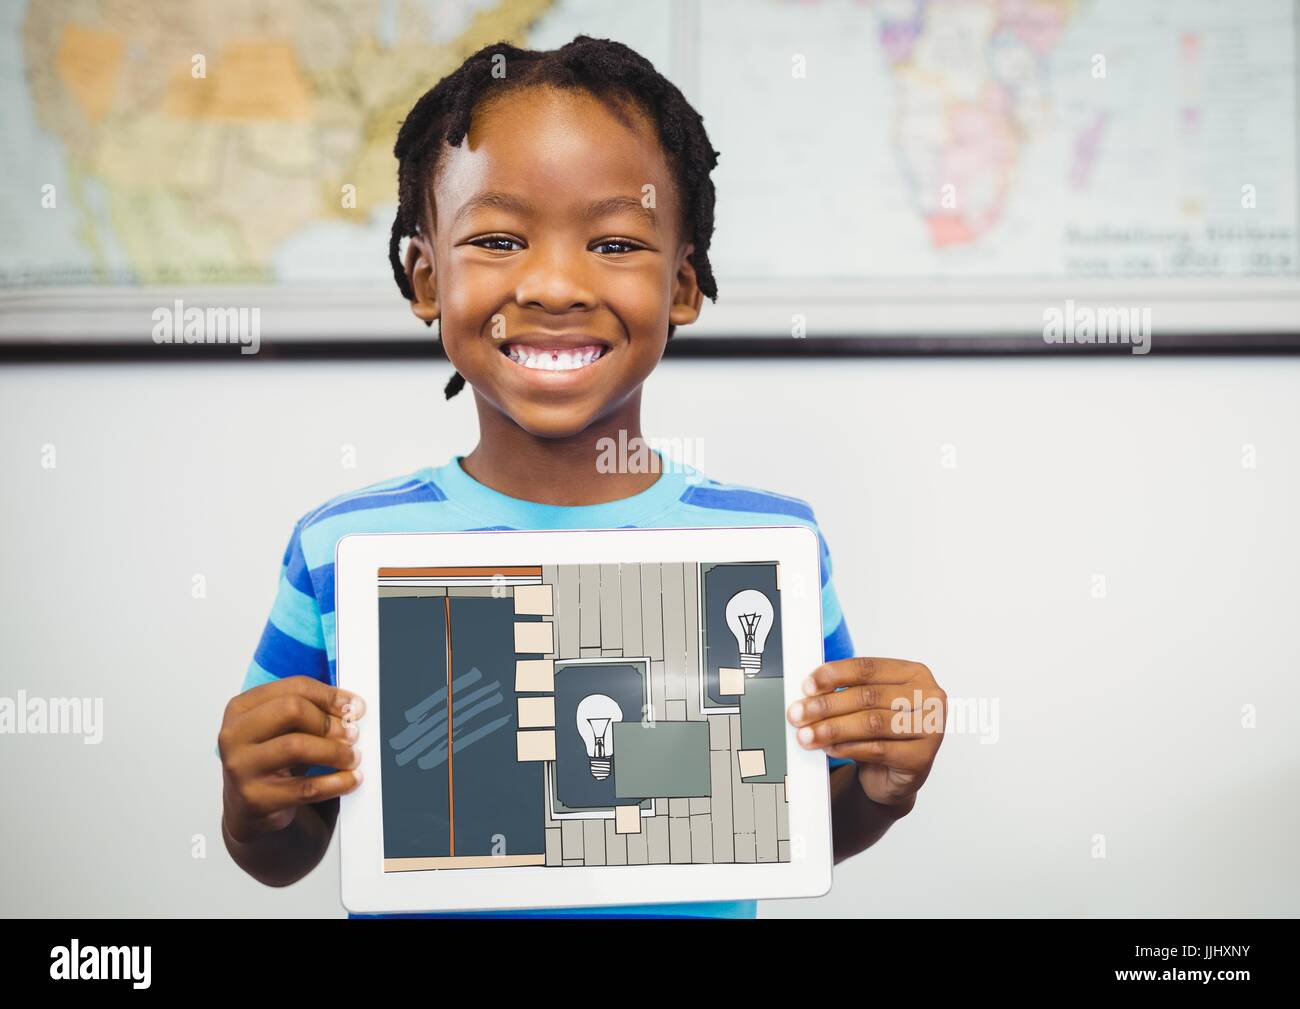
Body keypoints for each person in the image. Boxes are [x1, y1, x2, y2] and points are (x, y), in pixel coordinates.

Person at [217, 35, 946, 918]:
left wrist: (880, 785)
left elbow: (787, 823)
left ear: (683, 287)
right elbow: (286, 849)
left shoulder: (773, 543)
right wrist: (254, 804)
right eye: (496, 238)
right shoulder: (338, 547)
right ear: (424, 278)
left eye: (613, 242)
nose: (556, 285)